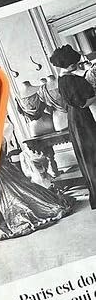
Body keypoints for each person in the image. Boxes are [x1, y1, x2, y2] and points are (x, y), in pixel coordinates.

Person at [50, 44, 96, 209]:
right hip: (82, 119)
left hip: (75, 118)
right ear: (69, 65)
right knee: (92, 153)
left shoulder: (62, 79)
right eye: (74, 64)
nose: (76, 65)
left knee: (88, 155)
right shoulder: (71, 80)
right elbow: (82, 103)